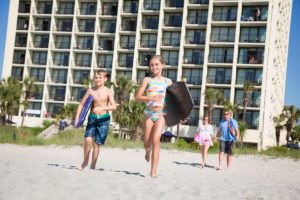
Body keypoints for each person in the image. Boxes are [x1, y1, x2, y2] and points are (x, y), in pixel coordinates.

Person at [135, 55, 172, 178]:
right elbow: (138, 97)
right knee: (147, 143)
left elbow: (175, 101)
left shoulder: (168, 82)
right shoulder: (147, 80)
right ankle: (147, 151)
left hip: (162, 114)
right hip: (149, 114)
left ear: (162, 65)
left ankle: (153, 172)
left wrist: (179, 115)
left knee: (156, 140)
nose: (154, 67)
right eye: (152, 65)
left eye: (157, 64)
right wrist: (151, 97)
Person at [74, 69, 117, 171]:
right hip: (92, 118)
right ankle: (85, 161)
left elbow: (114, 106)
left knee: (96, 144)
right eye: (96, 77)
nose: (97, 79)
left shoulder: (108, 91)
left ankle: (93, 165)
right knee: (88, 140)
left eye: (100, 77)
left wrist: (101, 108)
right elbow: (81, 104)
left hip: (104, 119)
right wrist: (77, 118)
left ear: (105, 79)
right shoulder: (90, 91)